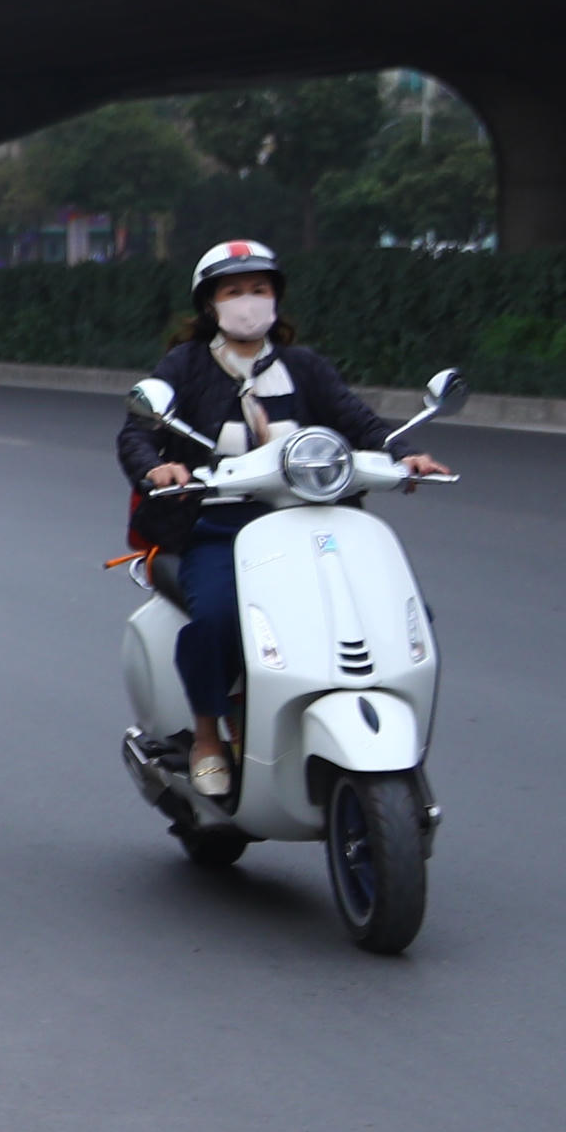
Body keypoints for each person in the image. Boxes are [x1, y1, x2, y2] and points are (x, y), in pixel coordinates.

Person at [117, 239, 446, 797]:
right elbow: (136, 433)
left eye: (260, 289)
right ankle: (206, 737)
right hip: (222, 526)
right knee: (217, 619)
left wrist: (403, 455)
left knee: (402, 614)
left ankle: (393, 738)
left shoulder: (304, 366)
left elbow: (361, 423)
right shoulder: (186, 365)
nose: (249, 301)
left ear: (277, 299)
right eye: (234, 291)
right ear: (210, 305)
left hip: (316, 522)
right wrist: (159, 469)